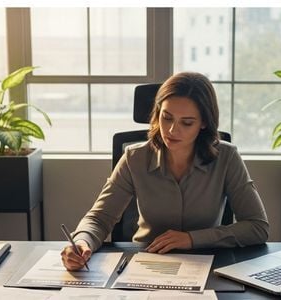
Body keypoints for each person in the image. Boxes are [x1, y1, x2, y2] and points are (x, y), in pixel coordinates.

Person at [62, 72, 270, 271]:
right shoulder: (135, 158)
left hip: (205, 264)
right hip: (145, 262)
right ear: (157, 113)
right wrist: (81, 241)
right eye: (167, 117)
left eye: (186, 122)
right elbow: (99, 218)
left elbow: (257, 227)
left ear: (204, 123)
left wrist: (191, 239)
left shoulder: (227, 157)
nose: (172, 130)